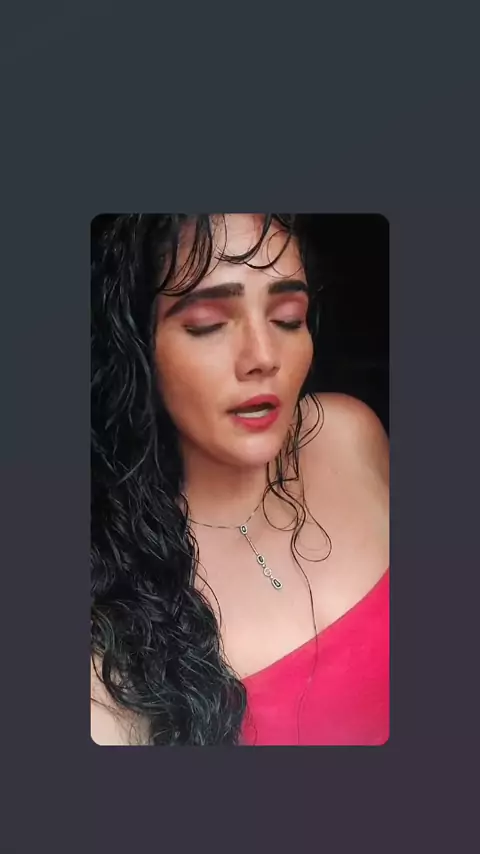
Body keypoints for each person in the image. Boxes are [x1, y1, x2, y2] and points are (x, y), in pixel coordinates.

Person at [90, 213, 389, 746]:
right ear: (138, 348)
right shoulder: (110, 608)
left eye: (288, 318)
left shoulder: (348, 434)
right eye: (208, 324)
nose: (263, 357)